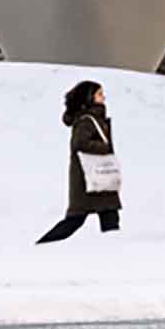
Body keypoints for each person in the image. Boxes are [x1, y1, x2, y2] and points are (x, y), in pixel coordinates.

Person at [36, 79, 120, 242]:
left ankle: (113, 248)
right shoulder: (86, 120)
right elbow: (79, 143)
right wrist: (104, 148)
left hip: (95, 177)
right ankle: (43, 245)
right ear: (89, 98)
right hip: (88, 178)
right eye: (99, 94)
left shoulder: (94, 118)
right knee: (76, 219)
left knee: (109, 215)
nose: (103, 97)